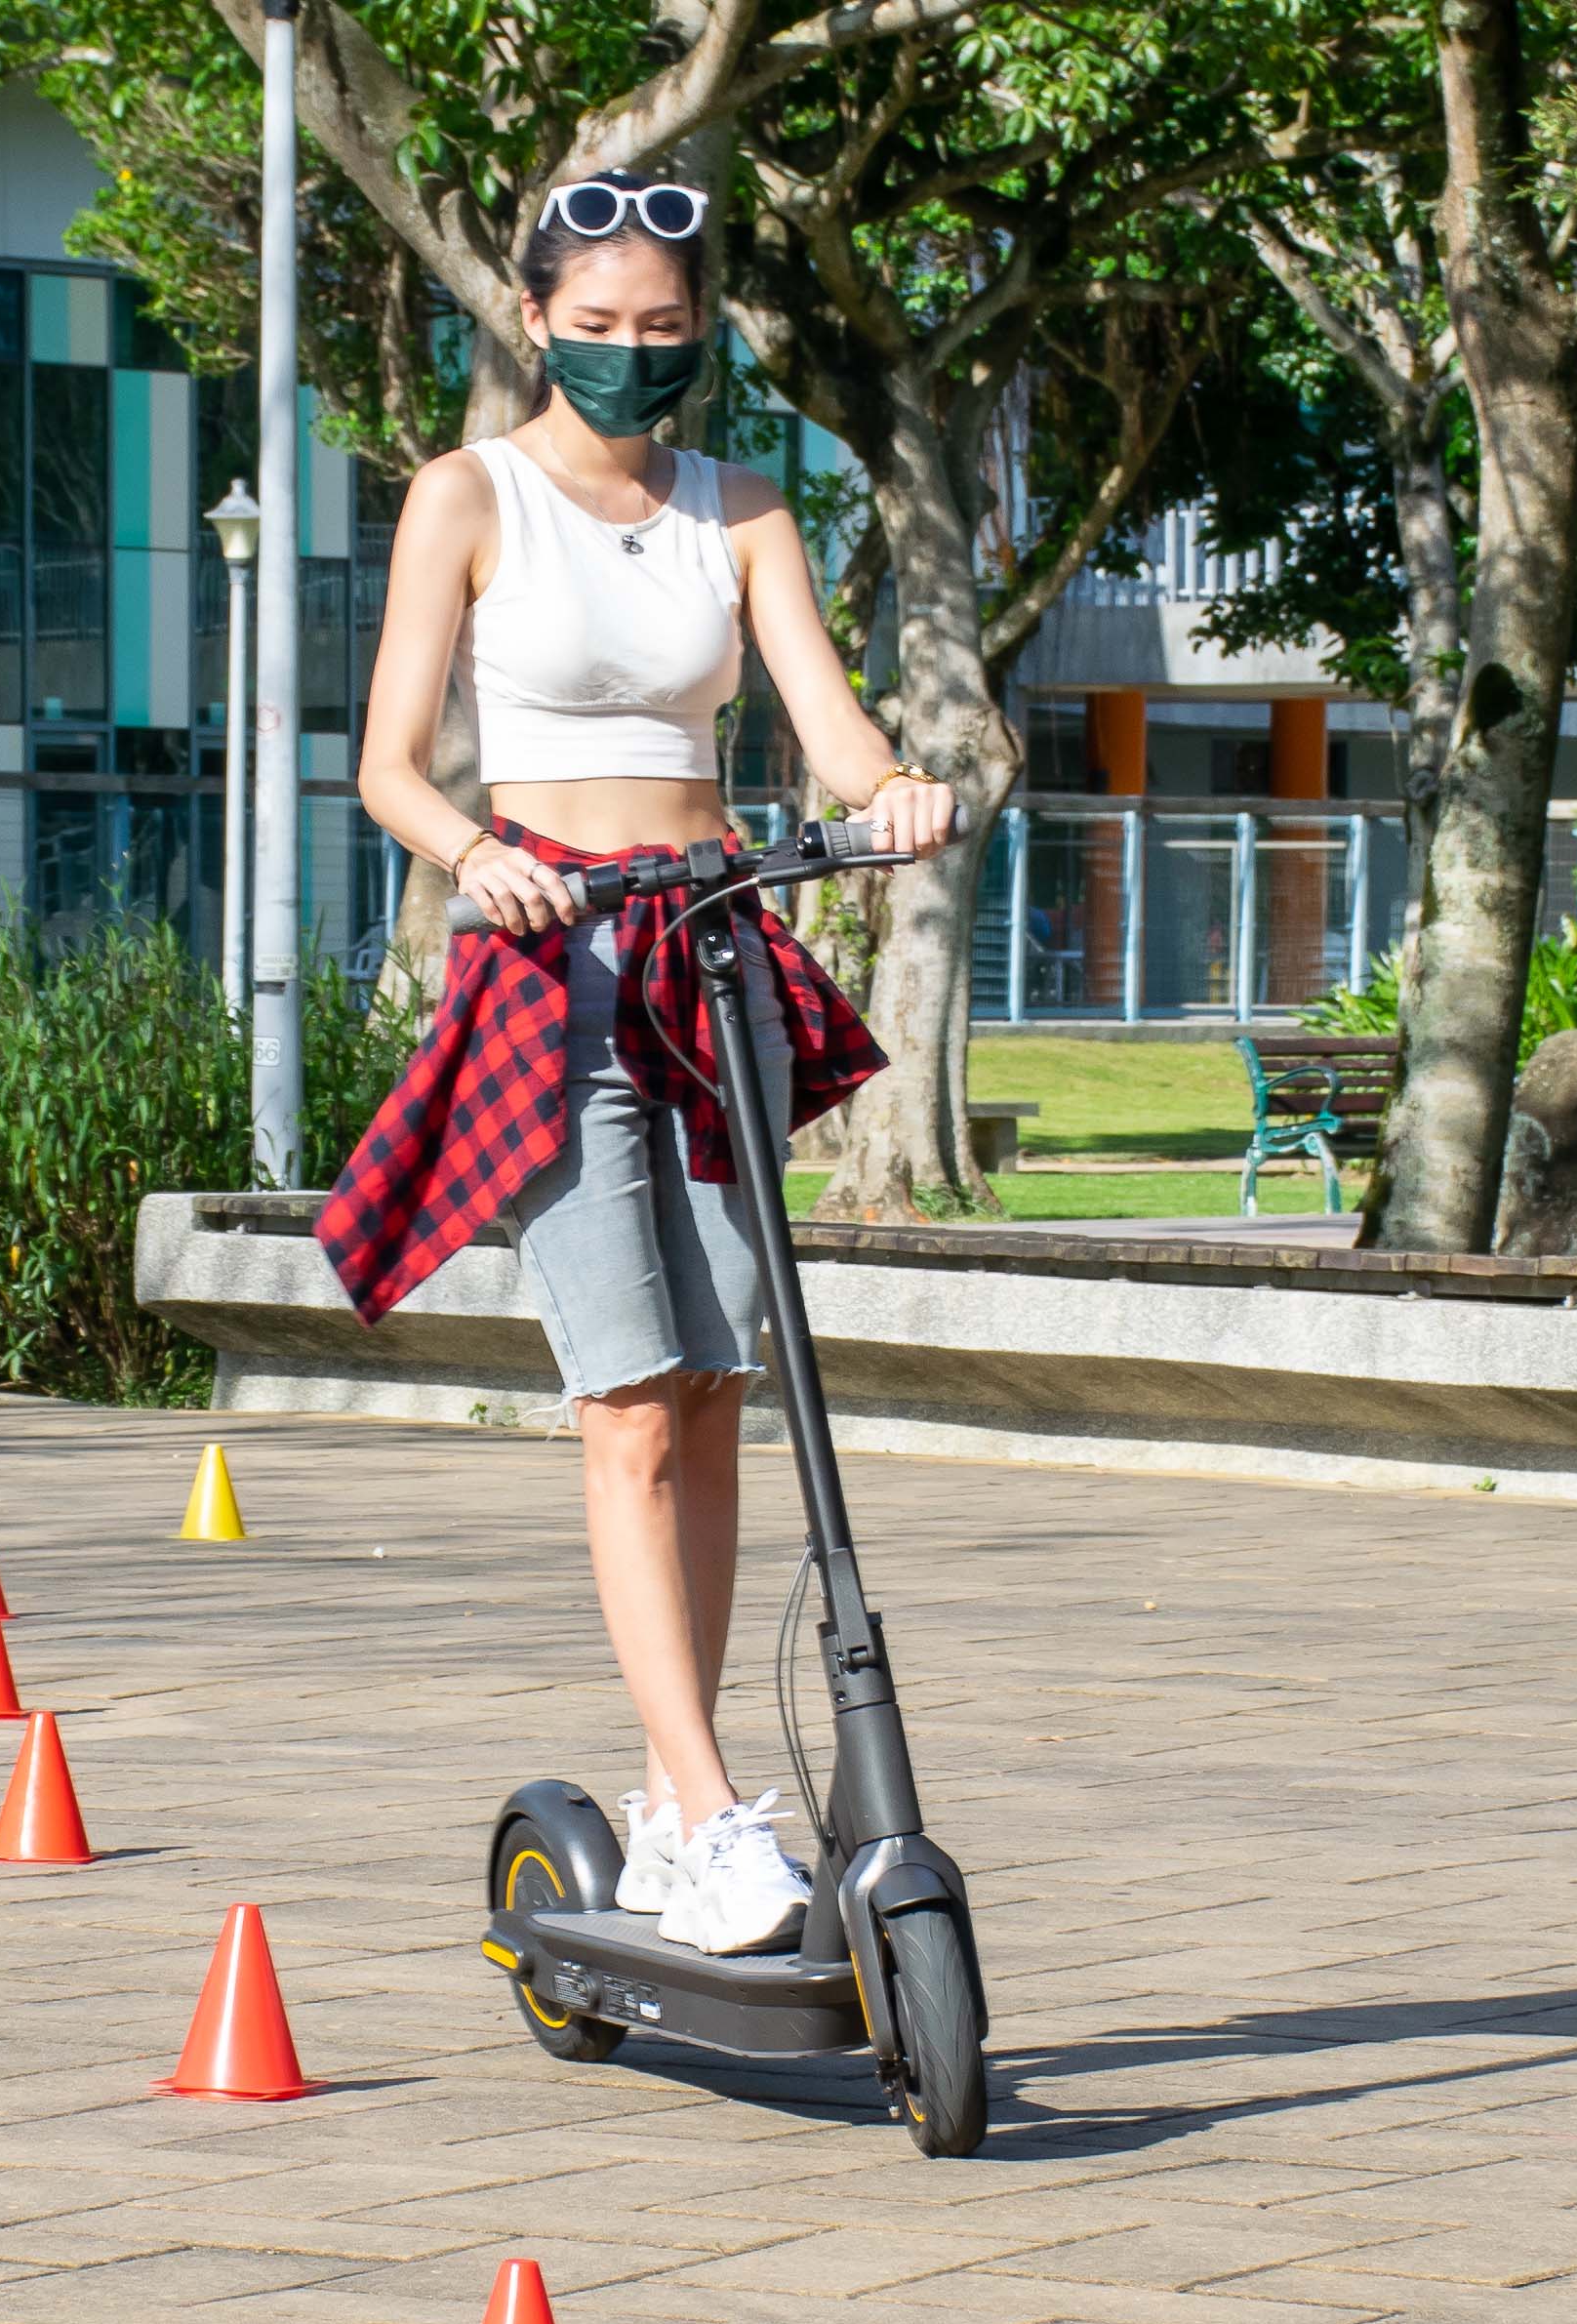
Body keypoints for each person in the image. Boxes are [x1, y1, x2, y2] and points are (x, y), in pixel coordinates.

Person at [311, 171, 958, 1957]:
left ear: (700, 340)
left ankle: (691, 1801)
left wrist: (889, 791)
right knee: (623, 1390)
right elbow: (387, 759)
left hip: (707, 950)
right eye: (593, 328)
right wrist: (468, 851)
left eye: (660, 332)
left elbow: (829, 728)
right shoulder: (469, 496)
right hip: (546, 963)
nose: (626, 357)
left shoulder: (740, 511)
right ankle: (691, 1799)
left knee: (720, 1380)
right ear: (535, 323)